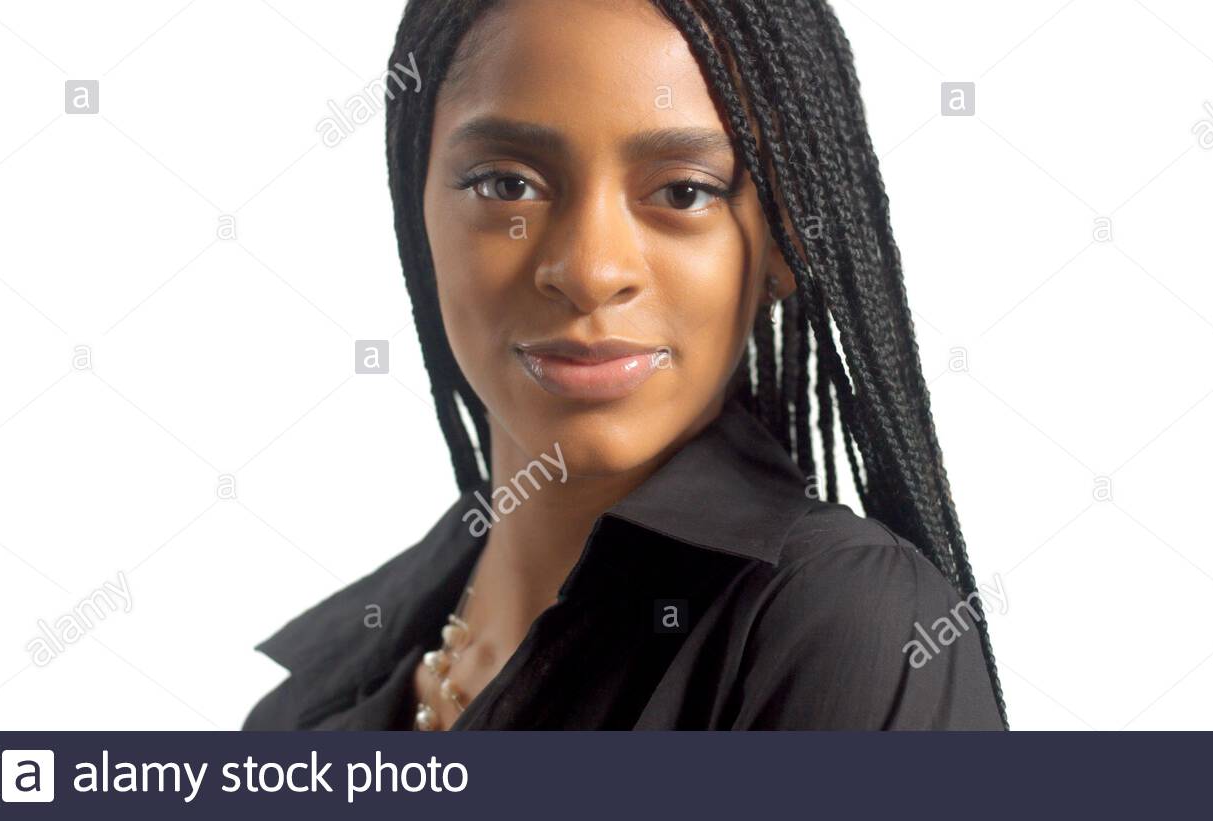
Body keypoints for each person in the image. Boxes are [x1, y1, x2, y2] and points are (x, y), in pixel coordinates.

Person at [245, 0, 1007, 731]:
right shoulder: (303, 711)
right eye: (507, 184)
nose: (590, 269)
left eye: (683, 191)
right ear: (418, 211)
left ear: (783, 245)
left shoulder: (846, 628)